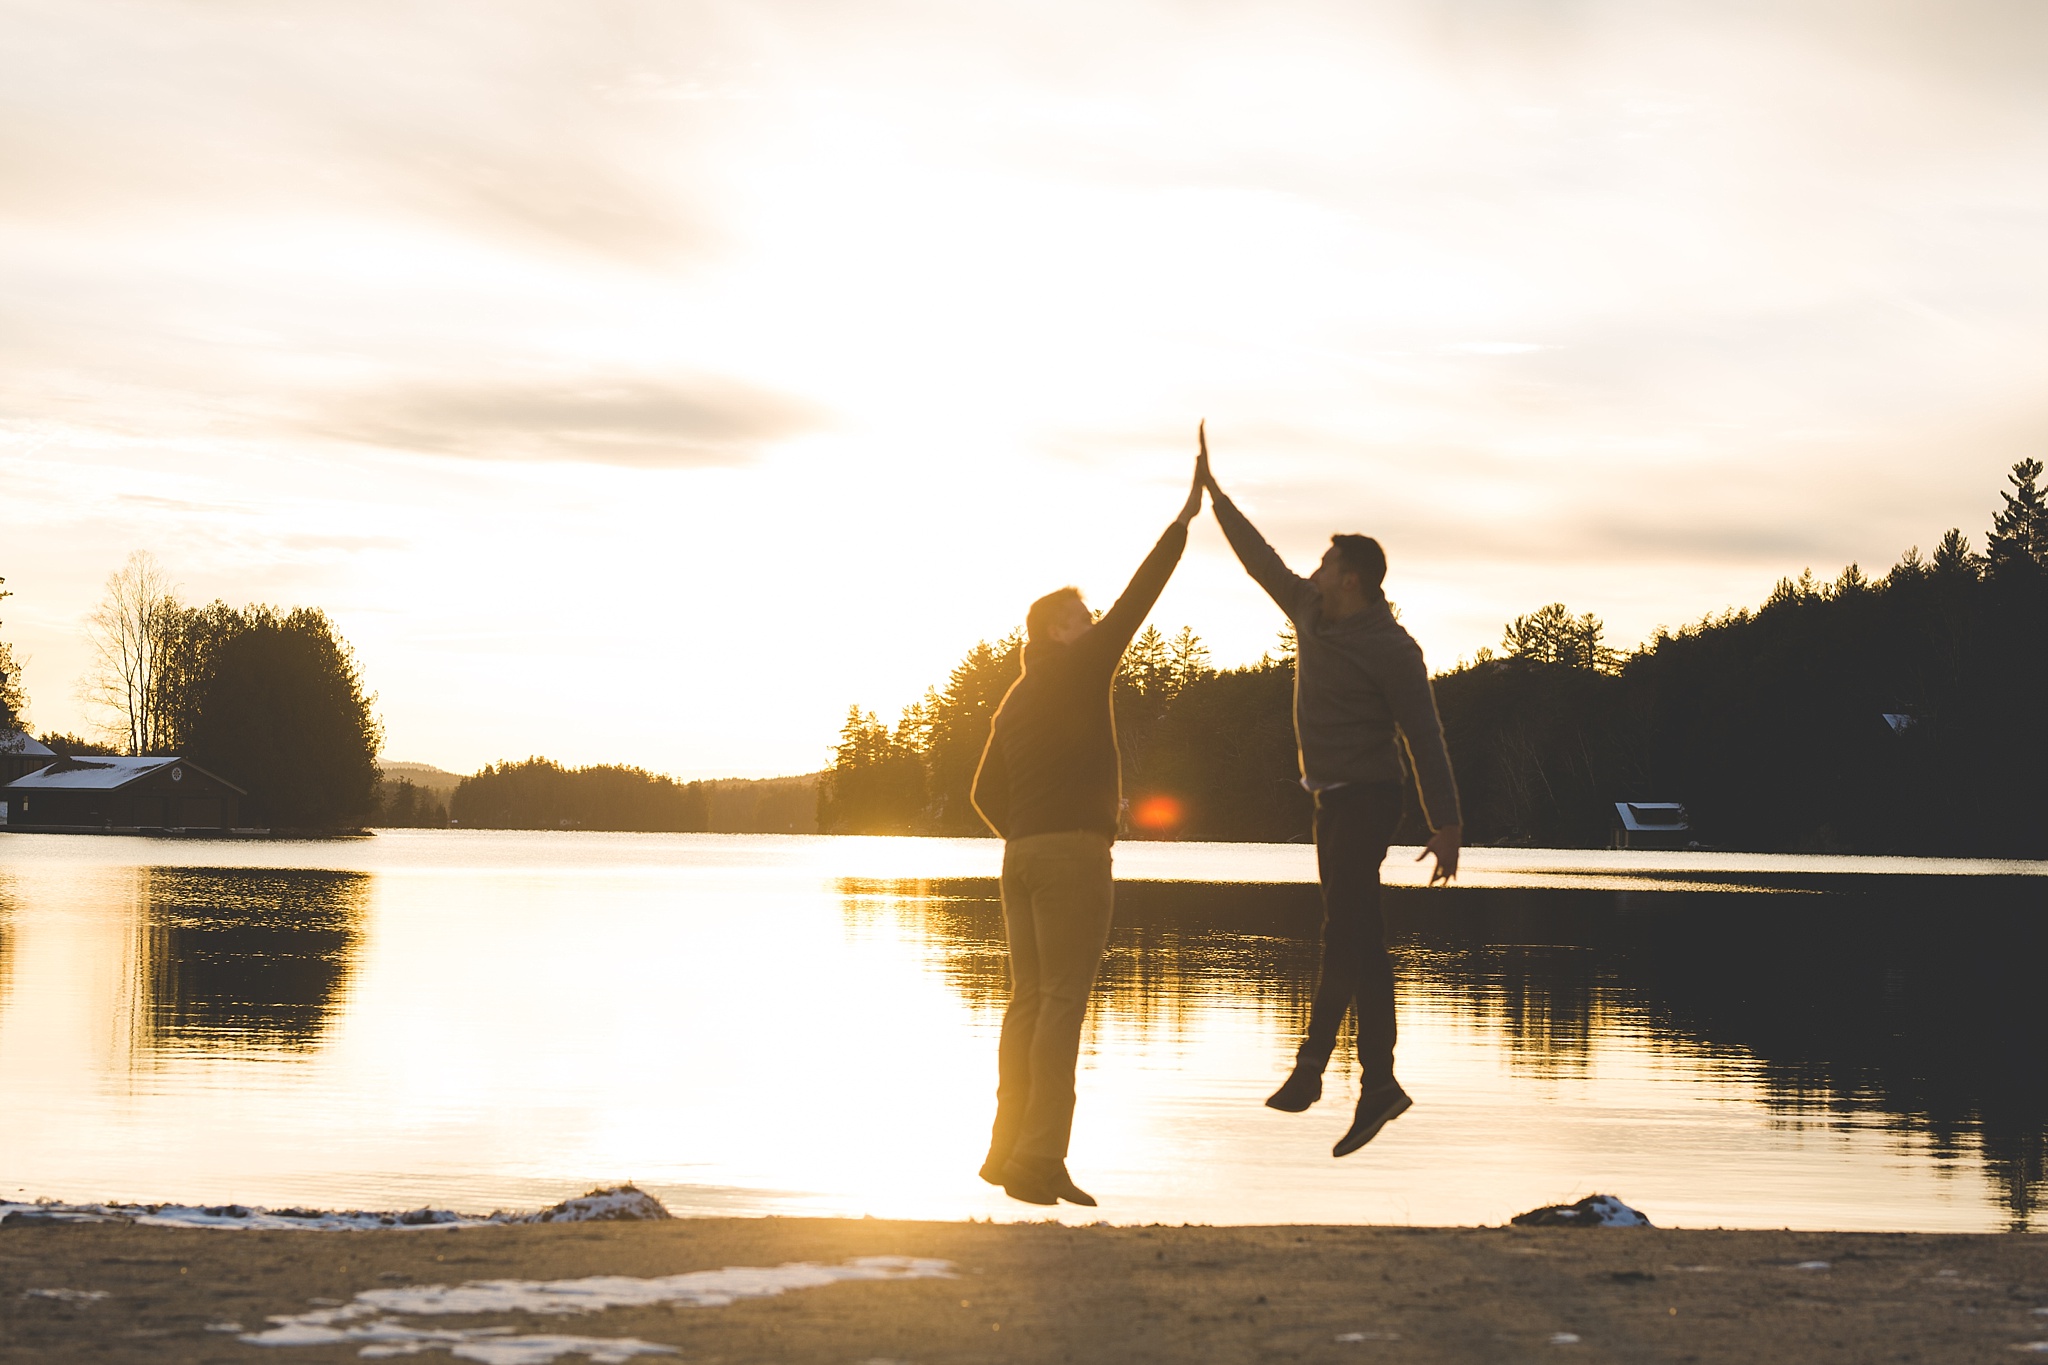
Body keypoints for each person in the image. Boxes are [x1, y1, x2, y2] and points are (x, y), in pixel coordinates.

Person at [1200, 425, 1461, 1158]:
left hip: (1373, 798)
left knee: (1342, 930)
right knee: (1360, 939)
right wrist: (1215, 496)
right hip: (1327, 799)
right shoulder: (1311, 613)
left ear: (1352, 578)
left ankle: (1314, 1066)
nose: (1312, 570)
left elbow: (1426, 735)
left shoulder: (1391, 647)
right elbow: (1261, 561)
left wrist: (1448, 825)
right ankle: (1379, 1084)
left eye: (1325, 562)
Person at [970, 457, 1206, 1206]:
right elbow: (1141, 598)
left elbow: (981, 791)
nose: (1095, 623)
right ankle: (1037, 1161)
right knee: (1062, 1000)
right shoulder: (1078, 670)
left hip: (1021, 856)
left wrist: (1028, 834)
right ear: (1054, 632)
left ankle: (1009, 1148)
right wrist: (1183, 520)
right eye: (1081, 618)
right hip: (1070, 854)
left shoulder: (1015, 696)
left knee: (1030, 999)